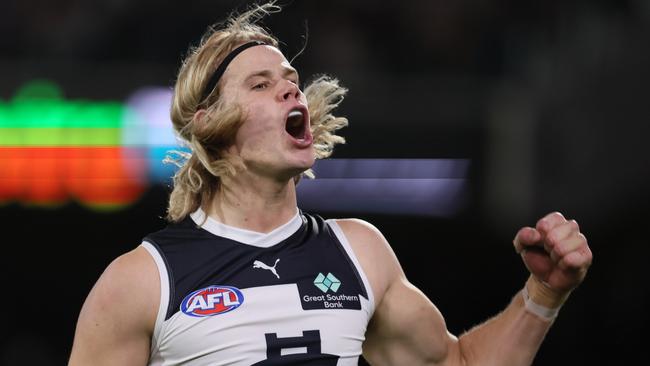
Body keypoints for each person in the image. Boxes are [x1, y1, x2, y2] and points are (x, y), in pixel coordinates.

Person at [68, 2, 593, 365]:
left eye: (291, 82)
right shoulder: (141, 281)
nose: (289, 91)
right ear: (207, 122)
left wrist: (543, 293)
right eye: (261, 84)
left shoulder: (359, 252)